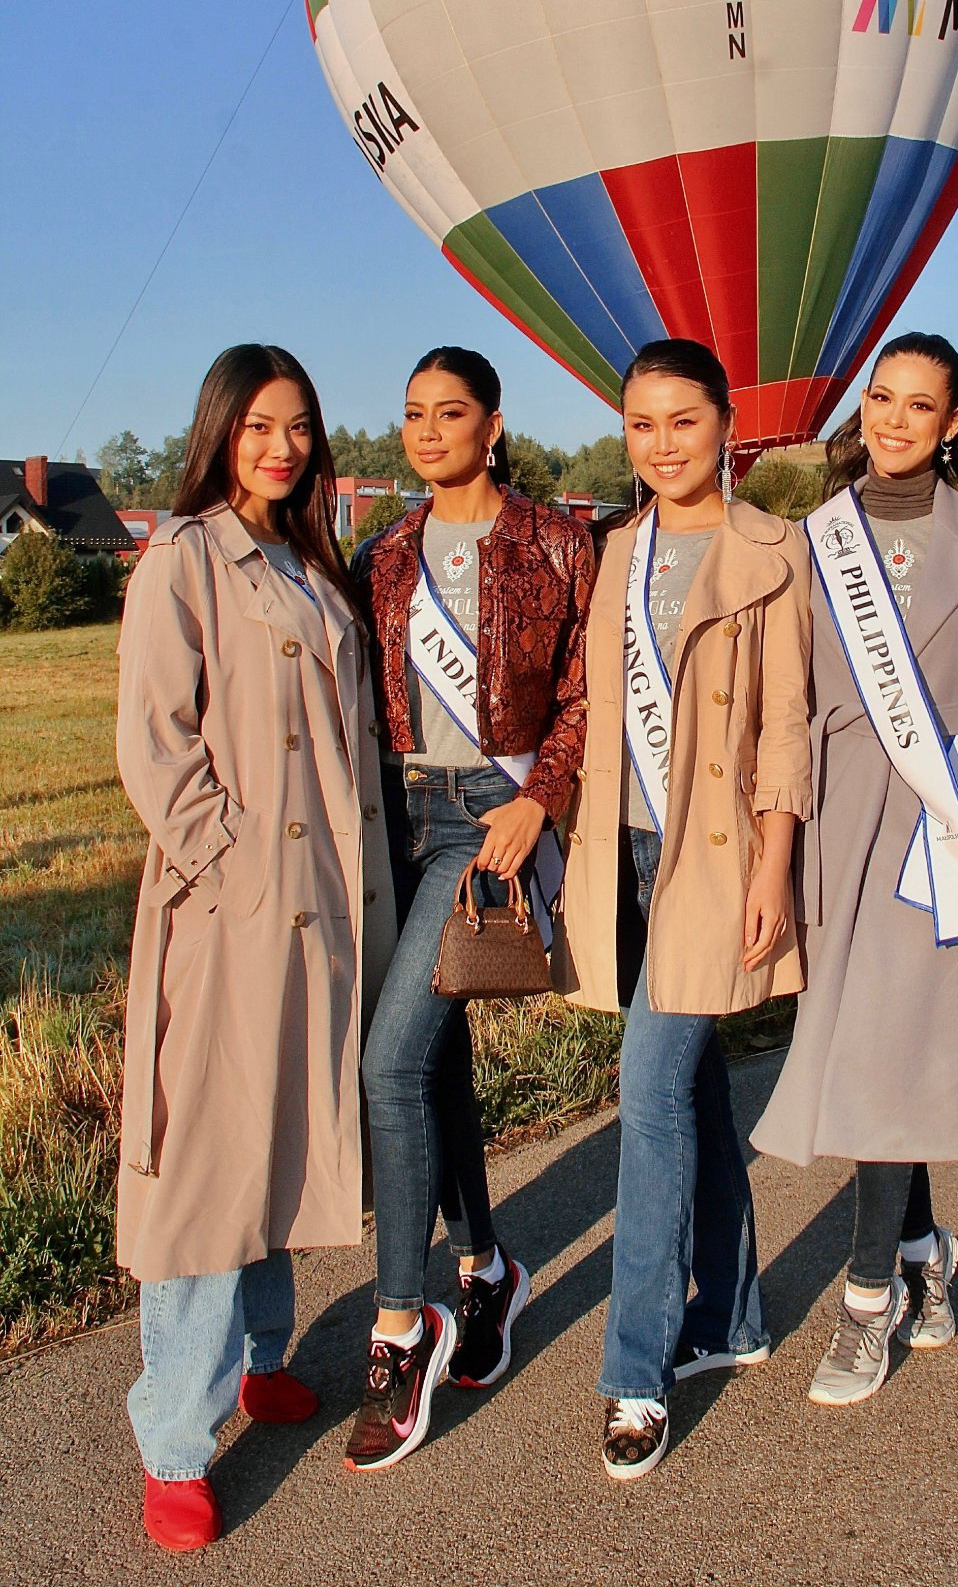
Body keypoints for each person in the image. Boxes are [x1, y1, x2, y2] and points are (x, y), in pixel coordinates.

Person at [115, 345, 396, 1550]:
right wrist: (227, 861)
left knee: (278, 1127)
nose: (280, 446)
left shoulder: (308, 560)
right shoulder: (184, 558)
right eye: (259, 426)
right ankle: (174, 1439)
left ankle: (259, 1357)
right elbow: (155, 743)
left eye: (298, 427)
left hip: (321, 905)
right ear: (219, 430)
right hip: (230, 908)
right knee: (207, 1166)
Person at [554, 338, 811, 1481]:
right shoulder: (616, 553)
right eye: (640, 426)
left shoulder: (775, 549)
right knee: (693, 1086)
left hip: (715, 859)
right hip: (627, 856)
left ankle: (634, 1372)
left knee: (649, 1090)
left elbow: (789, 723)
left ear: (726, 426)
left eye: (682, 421)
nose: (661, 445)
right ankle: (736, 1313)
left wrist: (771, 866)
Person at [752, 333, 958, 1406]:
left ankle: (866, 1300)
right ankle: (917, 1252)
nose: (896, 419)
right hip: (835, 813)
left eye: (922, 405)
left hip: (937, 822)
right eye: (882, 398)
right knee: (873, 1044)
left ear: (954, 422)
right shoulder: (809, 537)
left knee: (883, 1047)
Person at [347, 346, 594, 1472]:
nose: (429, 430)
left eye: (452, 412)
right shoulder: (380, 554)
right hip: (395, 811)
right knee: (433, 1059)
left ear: (493, 425)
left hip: (483, 818)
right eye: (413, 414)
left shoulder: (555, 539)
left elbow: (586, 689)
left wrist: (539, 796)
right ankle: (485, 1263)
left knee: (391, 1065)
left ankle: (403, 1328)